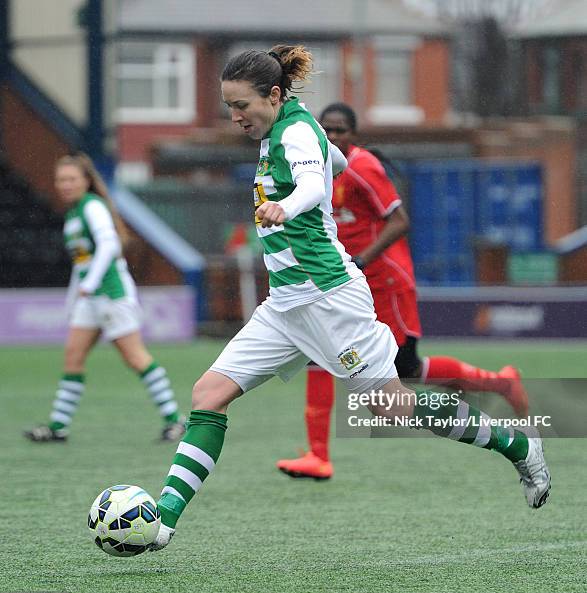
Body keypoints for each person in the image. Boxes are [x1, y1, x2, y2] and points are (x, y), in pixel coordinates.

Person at [149, 45, 550, 551]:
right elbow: (334, 161)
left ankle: (518, 444)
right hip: (285, 308)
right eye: (229, 106)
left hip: (330, 299)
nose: (234, 117)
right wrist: (321, 162)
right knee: (208, 396)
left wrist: (286, 207)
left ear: (273, 96)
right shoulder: (288, 129)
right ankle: (162, 522)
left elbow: (315, 184)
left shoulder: (294, 131)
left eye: (242, 106)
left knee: (393, 409)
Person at [277, 102, 530, 480]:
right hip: (346, 286)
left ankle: (501, 383)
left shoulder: (362, 168)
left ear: (354, 135)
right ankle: (318, 456)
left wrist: (361, 260)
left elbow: (399, 221)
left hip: (386, 281)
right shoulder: (314, 169)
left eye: (339, 130)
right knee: (320, 356)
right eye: (325, 131)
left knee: (405, 369)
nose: (331, 137)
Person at [24, 153, 185, 443]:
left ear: (86, 181)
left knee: (135, 358)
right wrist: (74, 299)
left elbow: (110, 244)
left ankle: (175, 420)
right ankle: (58, 427)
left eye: (72, 179)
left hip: (111, 293)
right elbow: (81, 264)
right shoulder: (73, 214)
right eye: (61, 180)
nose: (65, 185)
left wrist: (92, 285)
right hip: (91, 298)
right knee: (73, 358)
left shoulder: (92, 206)